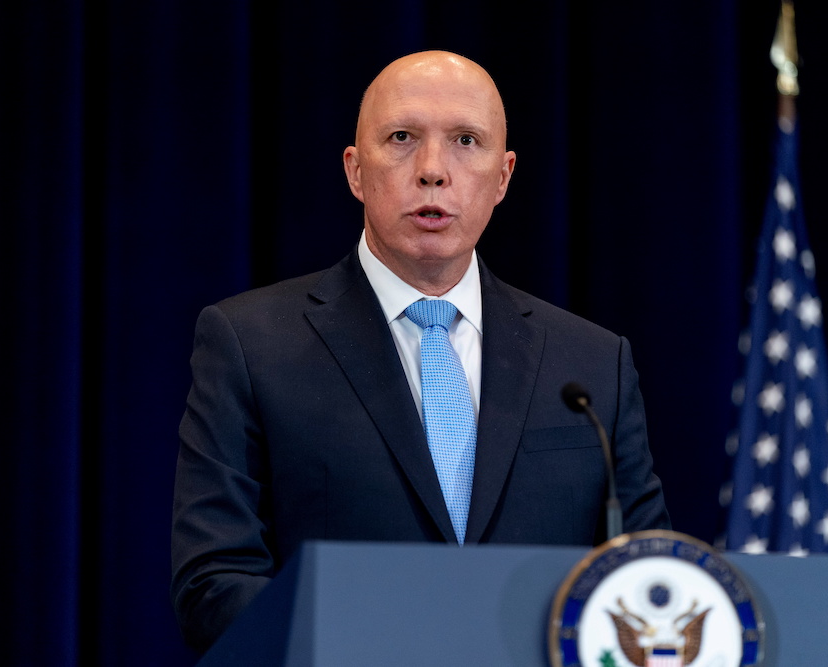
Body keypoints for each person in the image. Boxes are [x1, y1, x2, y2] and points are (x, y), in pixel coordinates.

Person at [170, 50, 669, 652]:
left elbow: (646, 585)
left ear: (504, 176)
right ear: (355, 170)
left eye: (465, 140)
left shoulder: (593, 367)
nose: (433, 169)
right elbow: (212, 588)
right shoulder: (251, 344)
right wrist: (400, 636)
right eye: (402, 137)